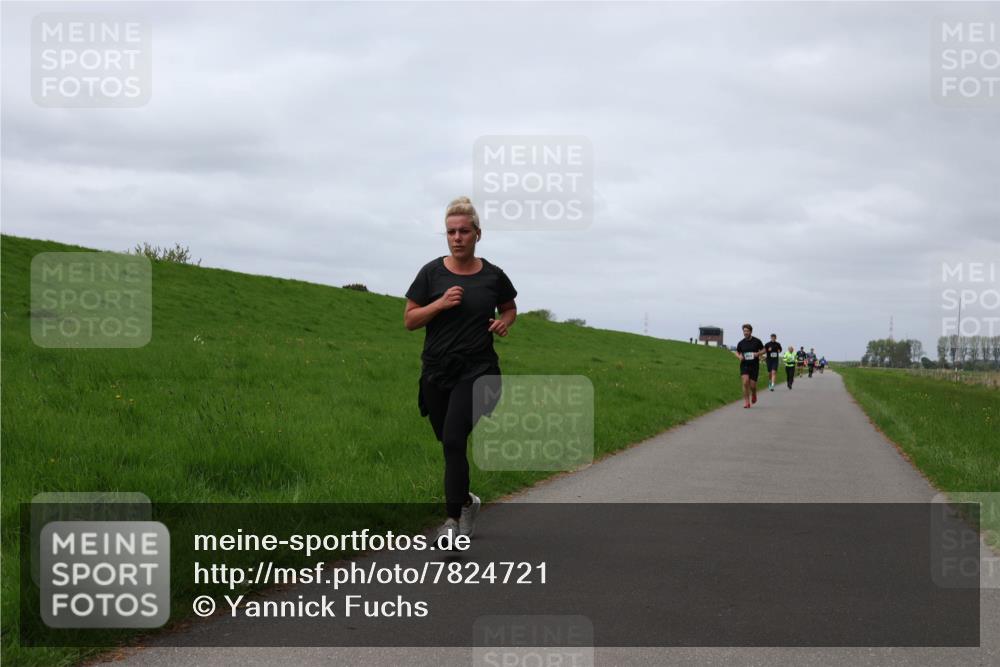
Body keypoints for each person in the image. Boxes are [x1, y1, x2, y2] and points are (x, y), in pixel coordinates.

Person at [405, 197, 517, 546]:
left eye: (464, 231)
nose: (457, 237)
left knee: (454, 438)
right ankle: (468, 502)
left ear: (477, 234)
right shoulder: (431, 273)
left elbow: (510, 308)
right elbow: (410, 320)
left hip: (479, 372)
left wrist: (504, 324)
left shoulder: (493, 276)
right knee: (448, 442)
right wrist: (438, 304)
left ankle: (451, 522)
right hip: (437, 372)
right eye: (451, 232)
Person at [733, 323, 764, 408]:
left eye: (747, 331)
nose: (745, 332)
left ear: (751, 331)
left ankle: (754, 394)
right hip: (744, 365)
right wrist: (739, 356)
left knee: (753, 385)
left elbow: (764, 350)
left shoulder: (757, 341)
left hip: (754, 365)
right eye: (744, 331)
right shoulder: (741, 343)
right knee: (745, 382)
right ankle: (747, 402)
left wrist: (758, 354)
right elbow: (737, 352)